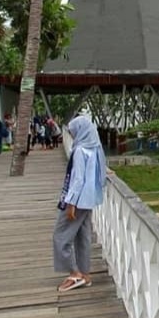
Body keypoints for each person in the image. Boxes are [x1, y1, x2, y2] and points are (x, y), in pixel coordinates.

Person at [54, 116, 108, 292]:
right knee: (82, 236)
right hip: (89, 200)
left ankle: (74, 272)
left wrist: (70, 204)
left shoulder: (79, 150)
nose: (72, 134)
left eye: (73, 131)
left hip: (77, 201)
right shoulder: (95, 148)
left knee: (60, 236)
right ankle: (85, 274)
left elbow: (77, 179)